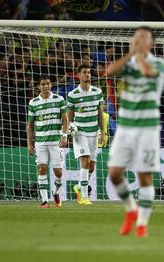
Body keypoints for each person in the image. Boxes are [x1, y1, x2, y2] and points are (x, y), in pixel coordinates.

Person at [106, 26, 164, 237]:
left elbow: (148, 73)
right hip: (125, 126)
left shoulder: (158, 63)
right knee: (114, 173)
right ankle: (131, 209)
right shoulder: (129, 62)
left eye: (143, 38)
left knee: (144, 175)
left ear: (152, 44)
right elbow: (109, 71)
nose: (138, 40)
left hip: (148, 128)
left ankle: (142, 224)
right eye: (136, 38)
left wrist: (138, 56)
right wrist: (131, 54)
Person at [27, 76, 68, 208]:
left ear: (51, 85)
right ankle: (45, 201)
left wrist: (65, 135)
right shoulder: (33, 103)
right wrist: (29, 143)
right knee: (41, 168)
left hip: (56, 141)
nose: (45, 86)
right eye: (43, 84)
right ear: (39, 87)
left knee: (58, 173)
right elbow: (30, 125)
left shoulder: (59, 99)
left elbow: (65, 119)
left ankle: (55, 192)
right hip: (40, 142)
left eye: (48, 84)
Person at [67, 65, 105, 205]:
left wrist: (102, 132)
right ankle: (83, 196)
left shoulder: (98, 92)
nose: (87, 75)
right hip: (80, 132)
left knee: (92, 166)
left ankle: (78, 185)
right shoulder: (73, 95)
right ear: (78, 75)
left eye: (89, 72)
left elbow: (100, 114)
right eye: (84, 73)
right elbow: (69, 116)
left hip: (94, 132)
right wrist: (68, 132)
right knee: (85, 161)